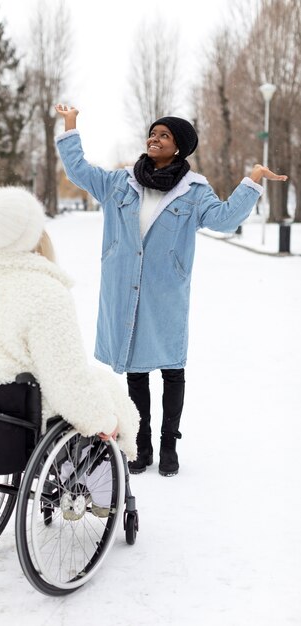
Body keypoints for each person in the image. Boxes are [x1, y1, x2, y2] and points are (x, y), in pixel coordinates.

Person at [54, 103, 288, 477]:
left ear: (178, 147)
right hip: (124, 289)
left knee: (171, 369)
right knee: (135, 372)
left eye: (164, 135)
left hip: (166, 293)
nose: (154, 138)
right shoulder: (121, 182)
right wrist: (70, 124)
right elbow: (80, 171)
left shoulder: (194, 191)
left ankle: (169, 446)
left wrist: (252, 181)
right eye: (152, 133)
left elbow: (225, 219)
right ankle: (141, 446)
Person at [0, 186, 140, 514]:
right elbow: (66, 379)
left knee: (89, 384)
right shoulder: (44, 293)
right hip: (28, 408)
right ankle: (102, 489)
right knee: (103, 392)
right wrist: (104, 420)